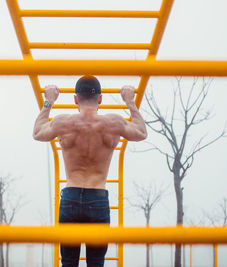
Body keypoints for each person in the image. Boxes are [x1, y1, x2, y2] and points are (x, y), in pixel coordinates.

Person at [33, 75, 147, 267]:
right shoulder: (114, 123)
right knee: (96, 263)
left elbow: (37, 133)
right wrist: (130, 103)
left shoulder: (63, 122)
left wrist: (49, 102)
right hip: (98, 197)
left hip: (70, 197)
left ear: (75, 98)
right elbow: (141, 133)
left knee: (69, 262)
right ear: (100, 99)